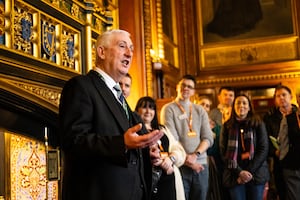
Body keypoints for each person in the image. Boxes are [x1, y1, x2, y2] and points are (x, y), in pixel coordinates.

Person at [58, 29, 164, 200]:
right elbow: (73, 142)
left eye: (131, 48)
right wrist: (121, 143)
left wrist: (147, 151)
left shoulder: (118, 96)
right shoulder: (81, 86)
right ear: (101, 51)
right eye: (122, 46)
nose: (129, 53)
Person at [160, 75, 214, 200]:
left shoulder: (200, 110)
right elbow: (172, 139)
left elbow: (208, 138)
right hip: (180, 165)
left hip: (201, 166)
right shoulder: (168, 109)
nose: (186, 88)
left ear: (194, 91)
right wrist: (188, 161)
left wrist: (195, 156)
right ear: (177, 87)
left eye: (190, 86)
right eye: (183, 85)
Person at [135, 96, 186, 200]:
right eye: (144, 107)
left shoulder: (163, 129)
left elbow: (178, 149)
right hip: (146, 181)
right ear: (137, 110)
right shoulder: (133, 131)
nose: (148, 111)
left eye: (151, 108)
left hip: (168, 178)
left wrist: (171, 159)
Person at [219, 93, 269, 200]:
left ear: (249, 107)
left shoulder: (258, 123)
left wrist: (249, 172)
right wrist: (240, 172)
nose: (241, 106)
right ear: (234, 107)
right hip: (234, 175)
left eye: (244, 103)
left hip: (256, 174)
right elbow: (224, 152)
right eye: (238, 103)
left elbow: (263, 148)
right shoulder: (227, 126)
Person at [263, 85, 298, 200]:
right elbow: (265, 140)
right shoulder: (269, 117)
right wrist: (275, 151)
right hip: (279, 160)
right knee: (283, 192)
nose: (281, 98)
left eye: (284, 95)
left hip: (296, 158)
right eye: (278, 96)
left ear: (291, 97)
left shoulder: (297, 114)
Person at [275, 85, 300, 200]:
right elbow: (283, 143)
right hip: (293, 167)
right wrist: (284, 159)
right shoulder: (289, 119)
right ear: (297, 98)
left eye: (283, 95)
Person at [198, 96, 222, 200]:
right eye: (202, 104)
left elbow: (216, 149)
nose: (204, 107)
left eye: (207, 106)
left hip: (210, 162)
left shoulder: (215, 126)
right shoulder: (189, 123)